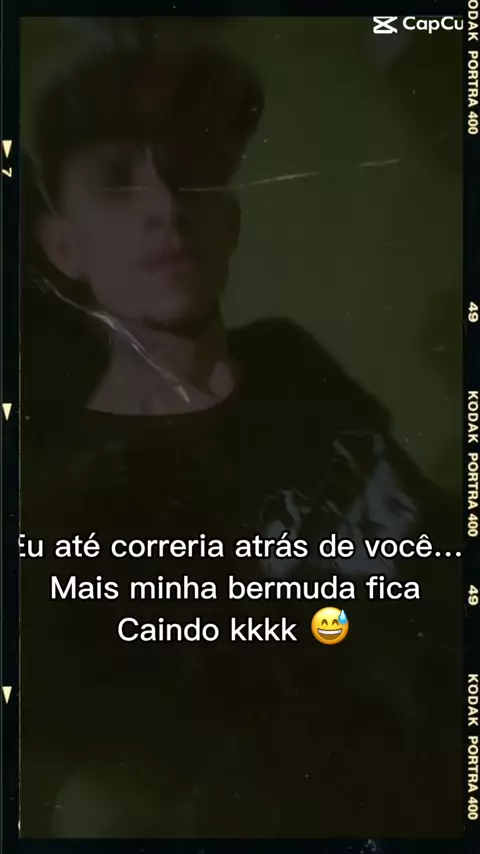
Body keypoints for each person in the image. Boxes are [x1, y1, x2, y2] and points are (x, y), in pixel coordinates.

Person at [20, 30, 461, 839]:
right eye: (115, 181)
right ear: (63, 245)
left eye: (189, 172)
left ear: (228, 220)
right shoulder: (76, 507)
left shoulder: (287, 358)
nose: (165, 206)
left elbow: (423, 527)